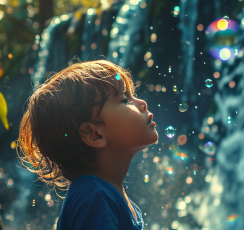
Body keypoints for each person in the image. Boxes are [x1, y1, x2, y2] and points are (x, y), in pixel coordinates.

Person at [17, 60, 158, 230]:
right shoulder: (94, 196)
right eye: (125, 100)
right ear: (95, 134)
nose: (142, 103)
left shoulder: (102, 192)